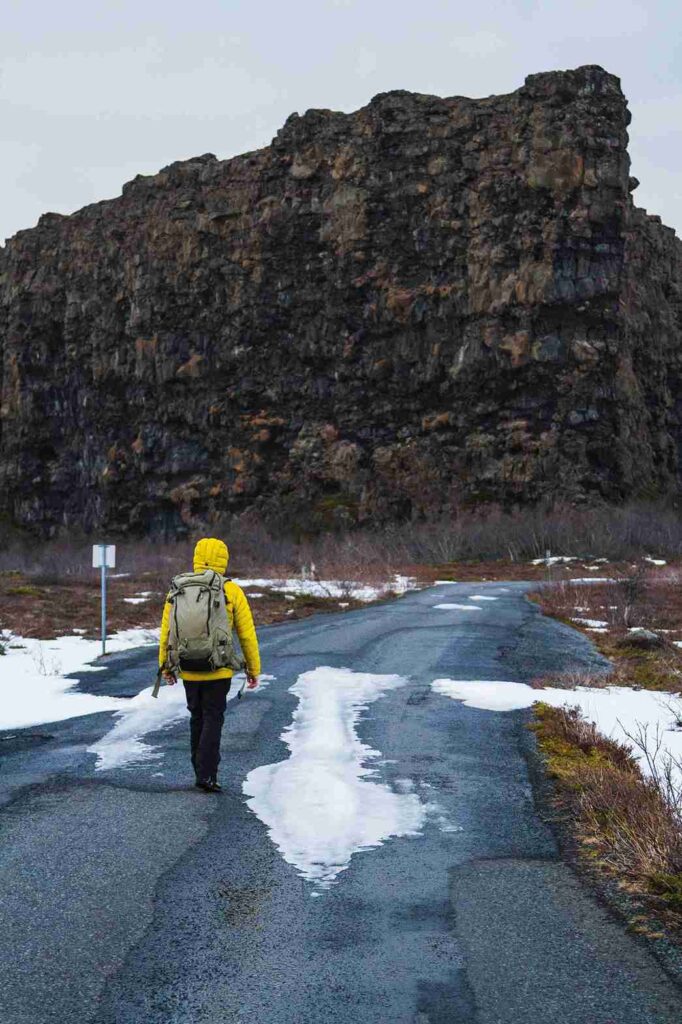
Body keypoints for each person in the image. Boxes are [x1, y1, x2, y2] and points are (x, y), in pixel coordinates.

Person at [158, 537, 261, 792]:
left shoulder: (177, 589)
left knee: (197, 716)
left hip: (188, 668)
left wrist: (165, 667)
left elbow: (167, 632)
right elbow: (247, 634)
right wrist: (253, 668)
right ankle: (208, 774)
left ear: (196, 556)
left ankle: (199, 770)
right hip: (219, 668)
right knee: (214, 717)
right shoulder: (231, 590)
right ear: (223, 559)